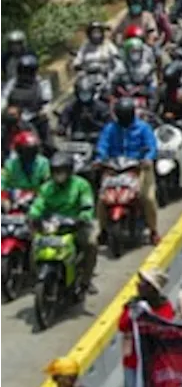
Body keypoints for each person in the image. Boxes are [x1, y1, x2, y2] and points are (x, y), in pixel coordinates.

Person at [95, 98, 160, 244]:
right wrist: (100, 158)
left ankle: (153, 231)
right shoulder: (110, 128)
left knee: (147, 198)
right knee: (102, 199)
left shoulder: (143, 128)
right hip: (114, 167)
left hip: (139, 167)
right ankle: (103, 230)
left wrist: (148, 158)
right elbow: (103, 145)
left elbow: (151, 146)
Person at [120, 269, 173, 387]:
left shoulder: (164, 307)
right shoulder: (131, 304)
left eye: (143, 283)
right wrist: (131, 313)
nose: (138, 285)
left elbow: (165, 328)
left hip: (153, 359)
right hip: (133, 358)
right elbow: (122, 326)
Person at [30, 152, 97, 291]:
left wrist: (83, 217)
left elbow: (87, 205)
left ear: (70, 171)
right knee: (34, 245)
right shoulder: (47, 188)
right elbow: (38, 204)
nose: (58, 175)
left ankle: (86, 280)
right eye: (55, 171)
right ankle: (37, 276)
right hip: (52, 226)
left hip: (76, 225)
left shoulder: (81, 185)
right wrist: (33, 216)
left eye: (61, 171)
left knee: (91, 244)